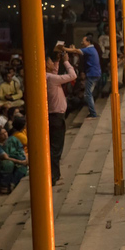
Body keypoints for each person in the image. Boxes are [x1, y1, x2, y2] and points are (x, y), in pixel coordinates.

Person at [46, 49, 76, 185]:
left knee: (55, 148)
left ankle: (55, 175)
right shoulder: (51, 79)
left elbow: (54, 72)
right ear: (45, 64)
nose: (52, 62)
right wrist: (66, 62)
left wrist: (58, 60)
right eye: (50, 61)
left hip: (54, 115)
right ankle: (53, 176)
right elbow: (72, 75)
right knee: (55, 148)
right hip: (56, 116)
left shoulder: (47, 77)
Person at [63, 36, 102, 118]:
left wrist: (63, 48)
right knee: (88, 93)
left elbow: (76, 50)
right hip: (94, 73)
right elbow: (77, 52)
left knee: (88, 94)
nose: (82, 42)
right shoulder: (91, 49)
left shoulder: (89, 49)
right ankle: (92, 112)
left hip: (92, 74)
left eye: (83, 41)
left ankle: (93, 113)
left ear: (88, 42)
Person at [0, 126, 28, 194]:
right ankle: (4, 185)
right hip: (1, 164)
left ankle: (13, 183)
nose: (5, 134)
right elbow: (5, 157)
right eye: (2, 134)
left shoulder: (12, 140)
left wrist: (25, 159)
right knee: (8, 164)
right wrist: (20, 161)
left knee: (22, 168)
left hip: (17, 159)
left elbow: (20, 149)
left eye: (5, 132)